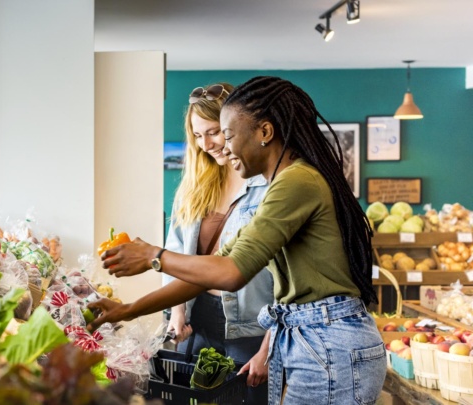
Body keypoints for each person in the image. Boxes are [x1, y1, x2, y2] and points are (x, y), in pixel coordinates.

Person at [89, 76, 387, 405]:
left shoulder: (296, 182)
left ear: (265, 132)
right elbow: (214, 269)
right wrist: (128, 310)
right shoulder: (285, 184)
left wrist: (153, 256)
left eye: (226, 134)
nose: (223, 148)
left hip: (329, 342)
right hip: (315, 340)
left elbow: (232, 274)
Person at [164, 83, 273, 404]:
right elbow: (176, 253)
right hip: (199, 317)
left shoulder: (270, 187)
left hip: (251, 326)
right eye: (197, 136)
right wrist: (177, 312)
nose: (205, 144)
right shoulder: (195, 186)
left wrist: (268, 349)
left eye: (212, 132)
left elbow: (288, 280)